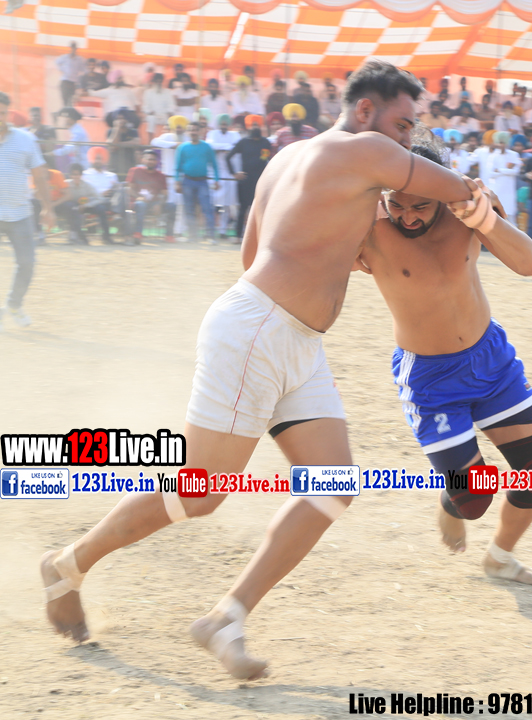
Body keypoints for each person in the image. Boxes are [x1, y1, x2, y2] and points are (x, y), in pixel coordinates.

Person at [38, 60, 488, 682]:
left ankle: (227, 618)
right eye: (404, 124)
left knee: (331, 486)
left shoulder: (288, 159)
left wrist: (324, 258)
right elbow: (455, 188)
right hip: (261, 331)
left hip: (289, 337)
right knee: (200, 493)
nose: (408, 139)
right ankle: (68, 565)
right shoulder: (368, 150)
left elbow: (252, 254)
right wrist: (478, 199)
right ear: (365, 110)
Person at [354, 142, 532, 584]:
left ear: (441, 192)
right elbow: (314, 261)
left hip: (491, 361)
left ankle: (500, 558)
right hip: (431, 379)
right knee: (474, 498)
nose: (407, 217)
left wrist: (482, 215)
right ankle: (452, 500)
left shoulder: (468, 208)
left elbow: (529, 263)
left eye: (420, 206)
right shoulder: (368, 225)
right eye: (397, 205)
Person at [0, 93, 54, 328]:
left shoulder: (25, 139)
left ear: (9, 114)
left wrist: (48, 208)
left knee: (27, 263)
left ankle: (14, 304)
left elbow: (39, 176)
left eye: (2, 112)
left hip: (20, 213)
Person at [226, 115, 272, 239]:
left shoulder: (265, 142)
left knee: (260, 209)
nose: (255, 127)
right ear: (249, 127)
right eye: (253, 125)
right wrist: (234, 173)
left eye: (257, 125)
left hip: (260, 181)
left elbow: (266, 159)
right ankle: (238, 236)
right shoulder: (243, 142)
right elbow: (228, 157)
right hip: (245, 180)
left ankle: (260, 238)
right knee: (243, 209)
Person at [174, 122, 220, 242]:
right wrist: (177, 182)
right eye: (191, 130)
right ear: (187, 132)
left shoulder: (206, 147)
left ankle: (210, 236)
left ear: (200, 132)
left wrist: (216, 180)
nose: (193, 132)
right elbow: (178, 167)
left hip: (202, 182)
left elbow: (214, 165)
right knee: (189, 209)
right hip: (187, 181)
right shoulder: (182, 147)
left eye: (195, 130)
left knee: (207, 208)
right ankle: (192, 236)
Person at [126, 149, 176, 244]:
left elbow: (165, 194)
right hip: (138, 202)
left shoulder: (161, 175)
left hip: (155, 203)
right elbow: (129, 189)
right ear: (143, 160)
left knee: (172, 206)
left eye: (153, 159)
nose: (150, 161)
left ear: (156, 161)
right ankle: (138, 233)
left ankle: (169, 235)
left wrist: (160, 203)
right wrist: (138, 197)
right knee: (140, 204)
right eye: (148, 159)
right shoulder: (135, 171)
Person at [207, 114, 242, 240]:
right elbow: (210, 145)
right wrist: (226, 148)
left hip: (230, 173)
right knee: (212, 203)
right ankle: (210, 231)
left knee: (228, 204)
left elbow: (236, 146)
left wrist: (220, 148)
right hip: (214, 173)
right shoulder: (212, 133)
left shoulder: (235, 134)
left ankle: (223, 231)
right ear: (218, 124)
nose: (223, 126)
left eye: (225, 124)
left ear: (229, 125)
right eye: (222, 123)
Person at [56, 163, 109, 245]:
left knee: (101, 209)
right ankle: (77, 236)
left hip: (86, 206)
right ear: (70, 175)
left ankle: (106, 237)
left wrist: (87, 205)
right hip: (72, 208)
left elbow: (100, 198)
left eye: (78, 174)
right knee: (71, 207)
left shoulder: (87, 185)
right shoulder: (65, 184)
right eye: (73, 174)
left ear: (81, 175)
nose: (76, 177)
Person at [476, 131, 521, 221]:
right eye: (500, 143)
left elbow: (516, 171)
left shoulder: (514, 155)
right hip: (497, 190)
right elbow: (490, 173)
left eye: (503, 143)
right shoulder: (492, 156)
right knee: (495, 216)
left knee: (510, 219)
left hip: (509, 192)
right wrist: (508, 170)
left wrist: (500, 170)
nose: (502, 145)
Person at [82, 147, 125, 241]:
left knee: (122, 187)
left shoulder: (112, 175)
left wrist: (113, 189)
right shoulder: (85, 174)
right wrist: (101, 194)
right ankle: (107, 235)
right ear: (92, 159)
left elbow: (118, 191)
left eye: (100, 159)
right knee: (101, 207)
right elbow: (84, 192)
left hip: (110, 201)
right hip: (94, 201)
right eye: (96, 158)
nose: (98, 161)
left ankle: (118, 217)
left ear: (104, 160)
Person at [141, 73, 176, 141]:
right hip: (153, 115)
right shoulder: (148, 92)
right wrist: (149, 111)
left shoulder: (168, 92)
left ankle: (167, 141)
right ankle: (150, 141)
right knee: (151, 119)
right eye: (157, 81)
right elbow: (145, 106)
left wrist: (169, 112)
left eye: (160, 81)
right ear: (154, 82)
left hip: (164, 115)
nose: (158, 83)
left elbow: (172, 105)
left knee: (169, 120)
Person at [106, 114, 140, 178]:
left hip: (129, 165)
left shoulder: (133, 131)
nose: (120, 121)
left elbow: (136, 143)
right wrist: (117, 128)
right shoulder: (110, 131)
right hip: (114, 166)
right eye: (118, 119)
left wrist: (118, 144)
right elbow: (112, 147)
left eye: (122, 118)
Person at [56, 43, 87, 109]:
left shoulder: (79, 59)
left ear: (76, 49)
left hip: (73, 83)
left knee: (71, 102)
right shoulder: (65, 57)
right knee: (65, 101)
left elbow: (83, 69)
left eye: (74, 48)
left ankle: (69, 113)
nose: (73, 50)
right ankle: (65, 112)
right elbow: (57, 62)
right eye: (72, 48)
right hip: (65, 81)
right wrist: (62, 69)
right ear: (70, 48)